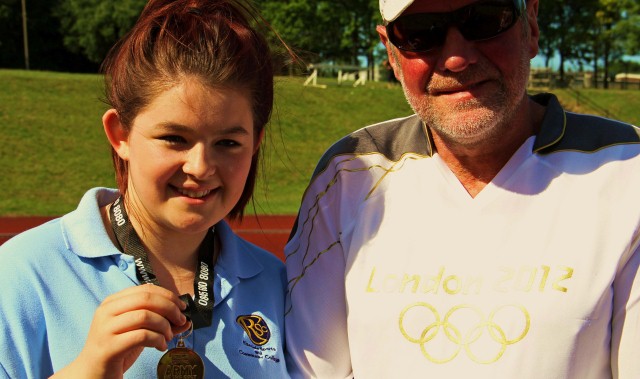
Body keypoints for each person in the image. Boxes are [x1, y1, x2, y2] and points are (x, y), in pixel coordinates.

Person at [284, 0, 640, 377]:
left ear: (530, 24)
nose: (456, 58)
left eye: (485, 20)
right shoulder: (350, 173)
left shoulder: (627, 168)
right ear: (390, 51)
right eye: (422, 33)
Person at [0, 0, 290, 377]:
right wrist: (87, 371)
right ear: (120, 135)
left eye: (228, 143)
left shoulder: (276, 283)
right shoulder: (23, 272)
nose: (200, 167)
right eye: (174, 137)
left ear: (255, 143)